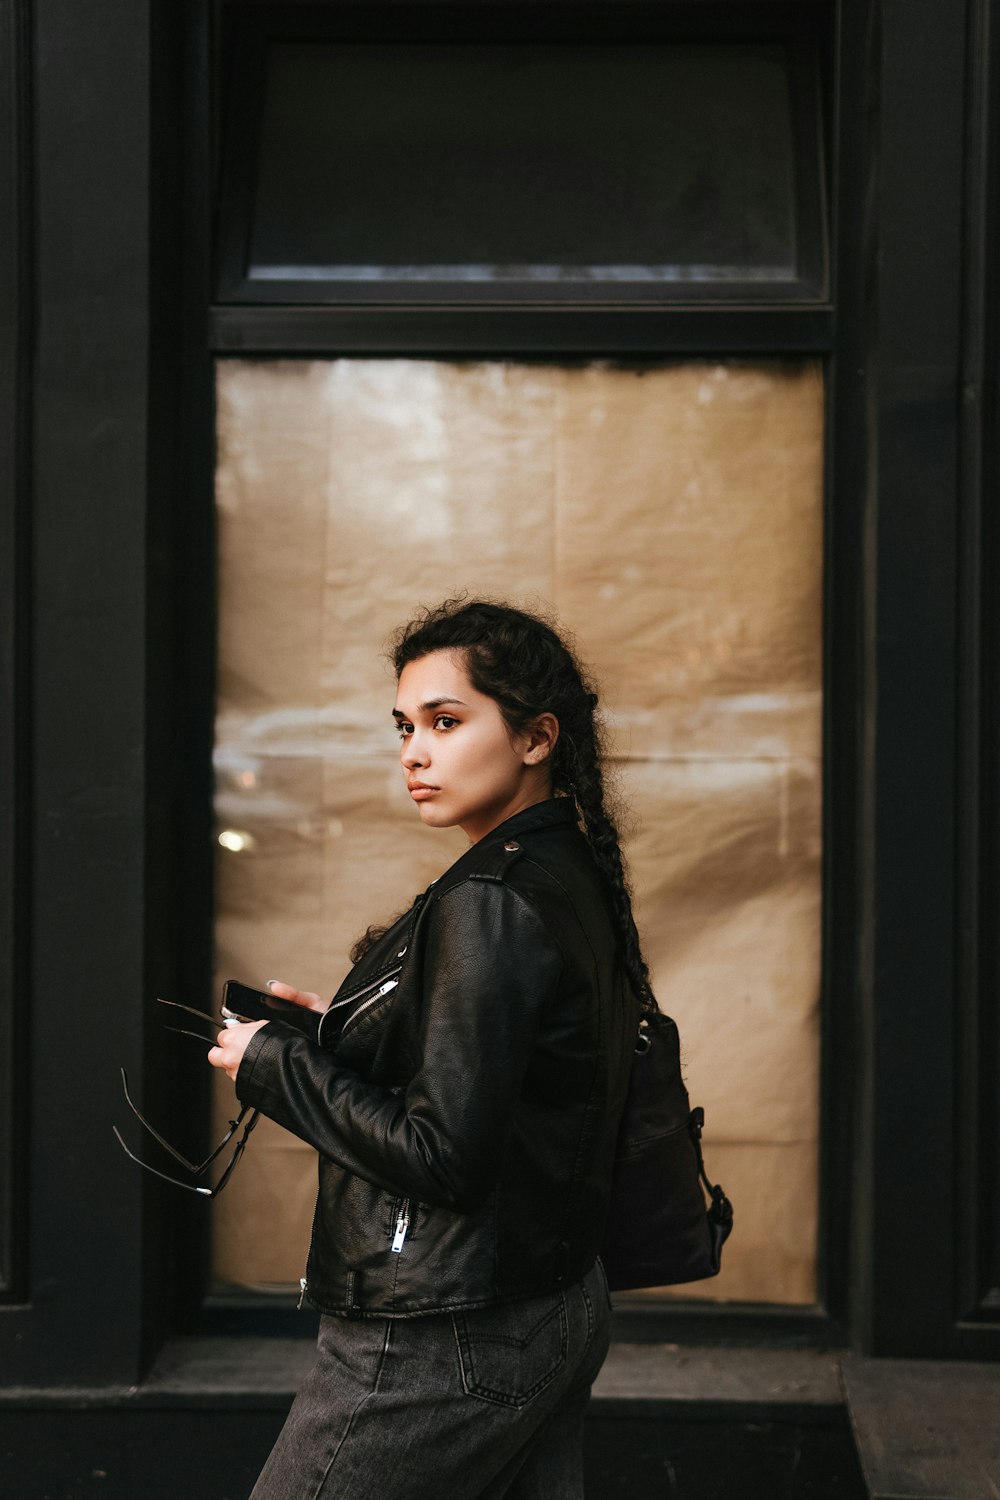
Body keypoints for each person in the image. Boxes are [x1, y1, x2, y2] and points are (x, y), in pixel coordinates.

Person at [208, 598, 654, 1500]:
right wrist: (347, 1030)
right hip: (550, 1302)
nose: (414, 751)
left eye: (447, 723)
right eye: (406, 726)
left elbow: (443, 1155)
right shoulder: (561, 868)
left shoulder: (488, 898)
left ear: (536, 737)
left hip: (444, 1332)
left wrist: (272, 1067)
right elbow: (513, 1071)